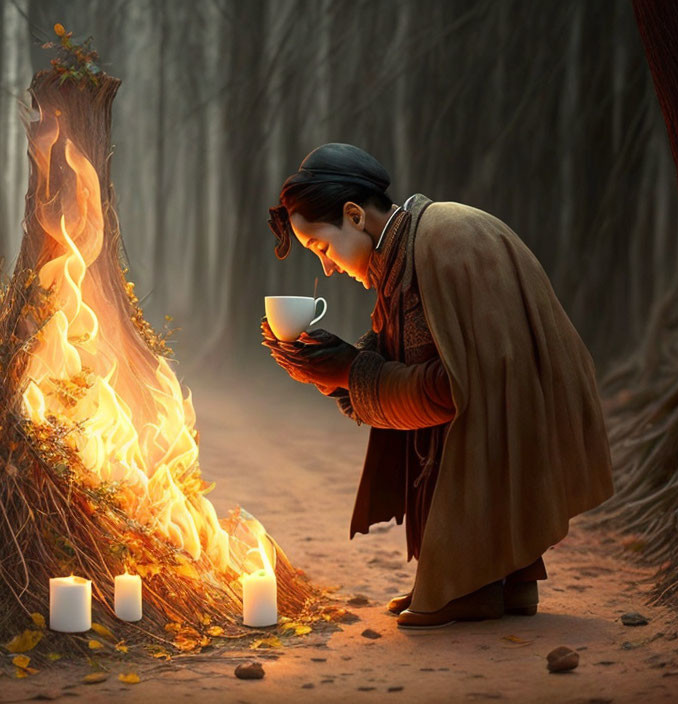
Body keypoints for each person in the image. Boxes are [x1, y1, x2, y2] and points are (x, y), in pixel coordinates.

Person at [263, 143, 614, 628]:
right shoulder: (407, 246)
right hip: (505, 399)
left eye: (322, 247)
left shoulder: (439, 242)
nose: (326, 267)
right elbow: (406, 356)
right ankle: (506, 579)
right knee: (446, 429)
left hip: (522, 401)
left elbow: (450, 390)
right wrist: (326, 366)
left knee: (459, 425)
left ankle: (472, 585)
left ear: (353, 214)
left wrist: (347, 371)